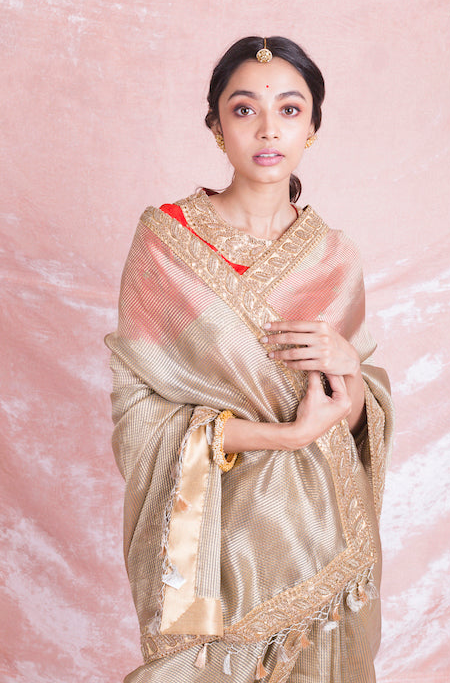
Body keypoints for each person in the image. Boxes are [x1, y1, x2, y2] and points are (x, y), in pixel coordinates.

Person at [105, 35, 394, 683]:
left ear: (312, 126)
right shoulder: (166, 245)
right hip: (221, 543)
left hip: (333, 537)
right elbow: (141, 417)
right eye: (244, 109)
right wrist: (286, 435)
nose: (269, 128)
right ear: (215, 124)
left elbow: (353, 417)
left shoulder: (335, 256)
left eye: (290, 109)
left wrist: (350, 369)